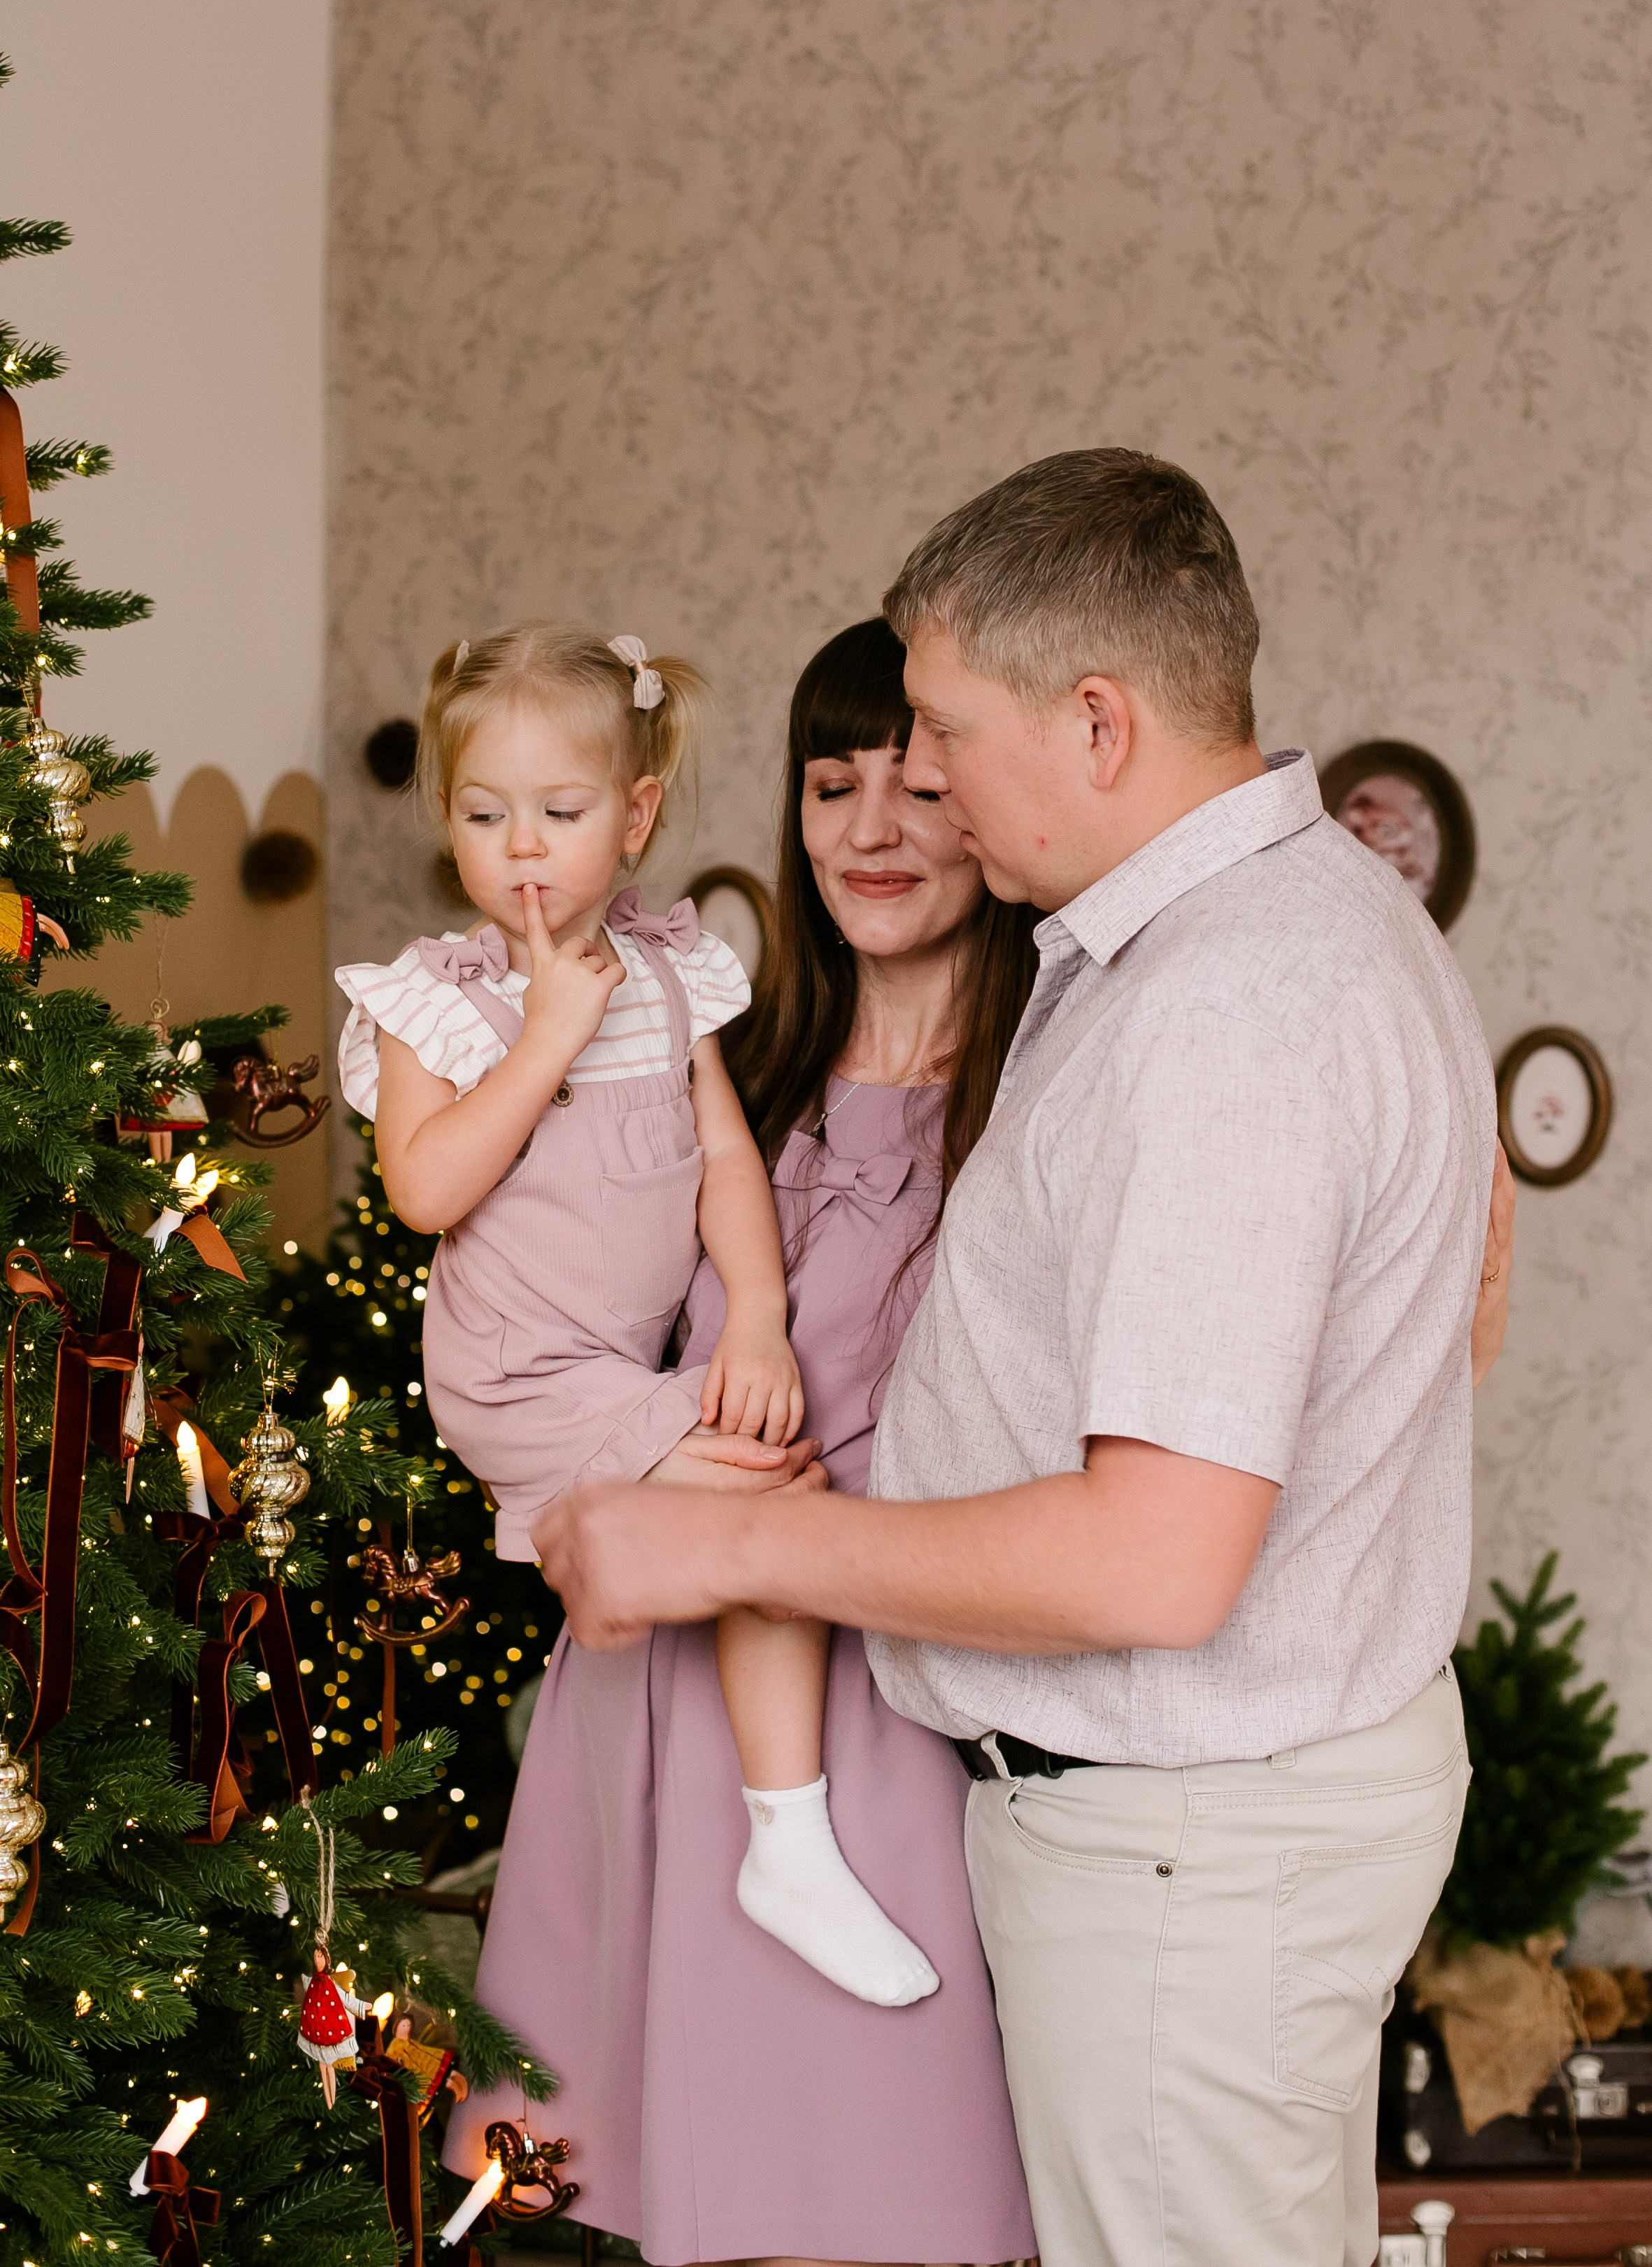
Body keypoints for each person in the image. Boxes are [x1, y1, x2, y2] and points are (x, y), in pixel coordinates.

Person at [539, 450, 1516, 2267]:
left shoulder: (1229, 1009)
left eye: (944, 733)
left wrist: (730, 1543)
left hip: (1183, 1851)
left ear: (1095, 721)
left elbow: (1157, 1558)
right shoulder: (1280, 924)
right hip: (1215, 1825)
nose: (924, 789)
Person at [443, 617, 1039, 2267]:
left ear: (988, 805)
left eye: (918, 788)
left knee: (874, 2201)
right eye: (829, 784)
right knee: (682, 2210)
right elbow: (538, 1316)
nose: (868, 830)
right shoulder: (720, 1057)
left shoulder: (1047, 1095)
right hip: (656, 1698)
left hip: (878, 1723)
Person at [335, 623, 931, 2007]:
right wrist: (542, 1033)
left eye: (560, 811)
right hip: (518, 1373)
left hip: (626, 1359)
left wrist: (759, 1325)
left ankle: (754, 1810)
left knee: (758, 1482)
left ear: (636, 815)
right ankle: (787, 1834)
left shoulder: (671, 976)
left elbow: (728, 1159)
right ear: (448, 821)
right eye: (485, 815)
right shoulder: (447, 1000)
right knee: (764, 1501)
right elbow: (422, 1186)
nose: (523, 849)